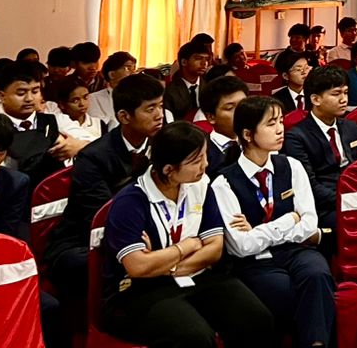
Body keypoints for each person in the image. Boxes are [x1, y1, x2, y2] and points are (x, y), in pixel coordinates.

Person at [100, 120, 274, 348]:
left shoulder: (201, 185)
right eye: (196, 161)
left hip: (196, 276)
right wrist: (187, 246)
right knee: (195, 337)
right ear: (168, 170)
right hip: (139, 290)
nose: (205, 164)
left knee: (257, 320)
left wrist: (165, 263)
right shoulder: (130, 201)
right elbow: (138, 267)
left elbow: (214, 248)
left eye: (205, 156)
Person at [211, 97, 336, 348]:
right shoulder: (223, 183)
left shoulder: (291, 166)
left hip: (296, 251)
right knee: (283, 291)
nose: (280, 129)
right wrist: (289, 219)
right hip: (254, 262)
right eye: (271, 124)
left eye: (280, 121)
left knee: (318, 274)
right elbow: (241, 247)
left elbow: (309, 224)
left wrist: (260, 231)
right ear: (248, 134)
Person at [44, 72, 165, 296]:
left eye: (161, 106)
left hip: (145, 229)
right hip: (85, 238)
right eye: (150, 109)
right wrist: (138, 240)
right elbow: (100, 214)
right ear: (124, 116)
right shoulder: (93, 157)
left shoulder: (163, 145)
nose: (160, 115)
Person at [283, 65, 357, 245]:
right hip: (325, 205)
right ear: (315, 99)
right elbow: (309, 185)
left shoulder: (351, 127)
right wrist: (347, 199)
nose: (344, 99)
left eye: (345, 92)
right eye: (336, 94)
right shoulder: (296, 137)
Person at [0, 58, 80, 183]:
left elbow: (95, 144)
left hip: (51, 192)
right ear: (2, 95)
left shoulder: (56, 120)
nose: (29, 98)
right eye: (21, 93)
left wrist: (79, 146)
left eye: (35, 91)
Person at [199, 74, 248, 177]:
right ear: (211, 117)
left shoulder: (258, 142)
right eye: (230, 108)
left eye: (244, 105)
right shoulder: (201, 152)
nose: (241, 111)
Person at [163, 41, 213, 123]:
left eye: (206, 59)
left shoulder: (209, 87)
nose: (204, 63)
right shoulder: (170, 91)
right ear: (184, 62)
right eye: (198, 58)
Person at [88, 51, 140, 123]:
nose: (133, 73)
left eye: (134, 69)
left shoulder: (139, 97)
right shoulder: (94, 99)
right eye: (128, 69)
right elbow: (99, 125)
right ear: (112, 74)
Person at [56, 74, 108, 142]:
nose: (82, 104)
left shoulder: (99, 123)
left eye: (85, 97)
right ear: (62, 104)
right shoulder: (57, 125)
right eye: (75, 101)